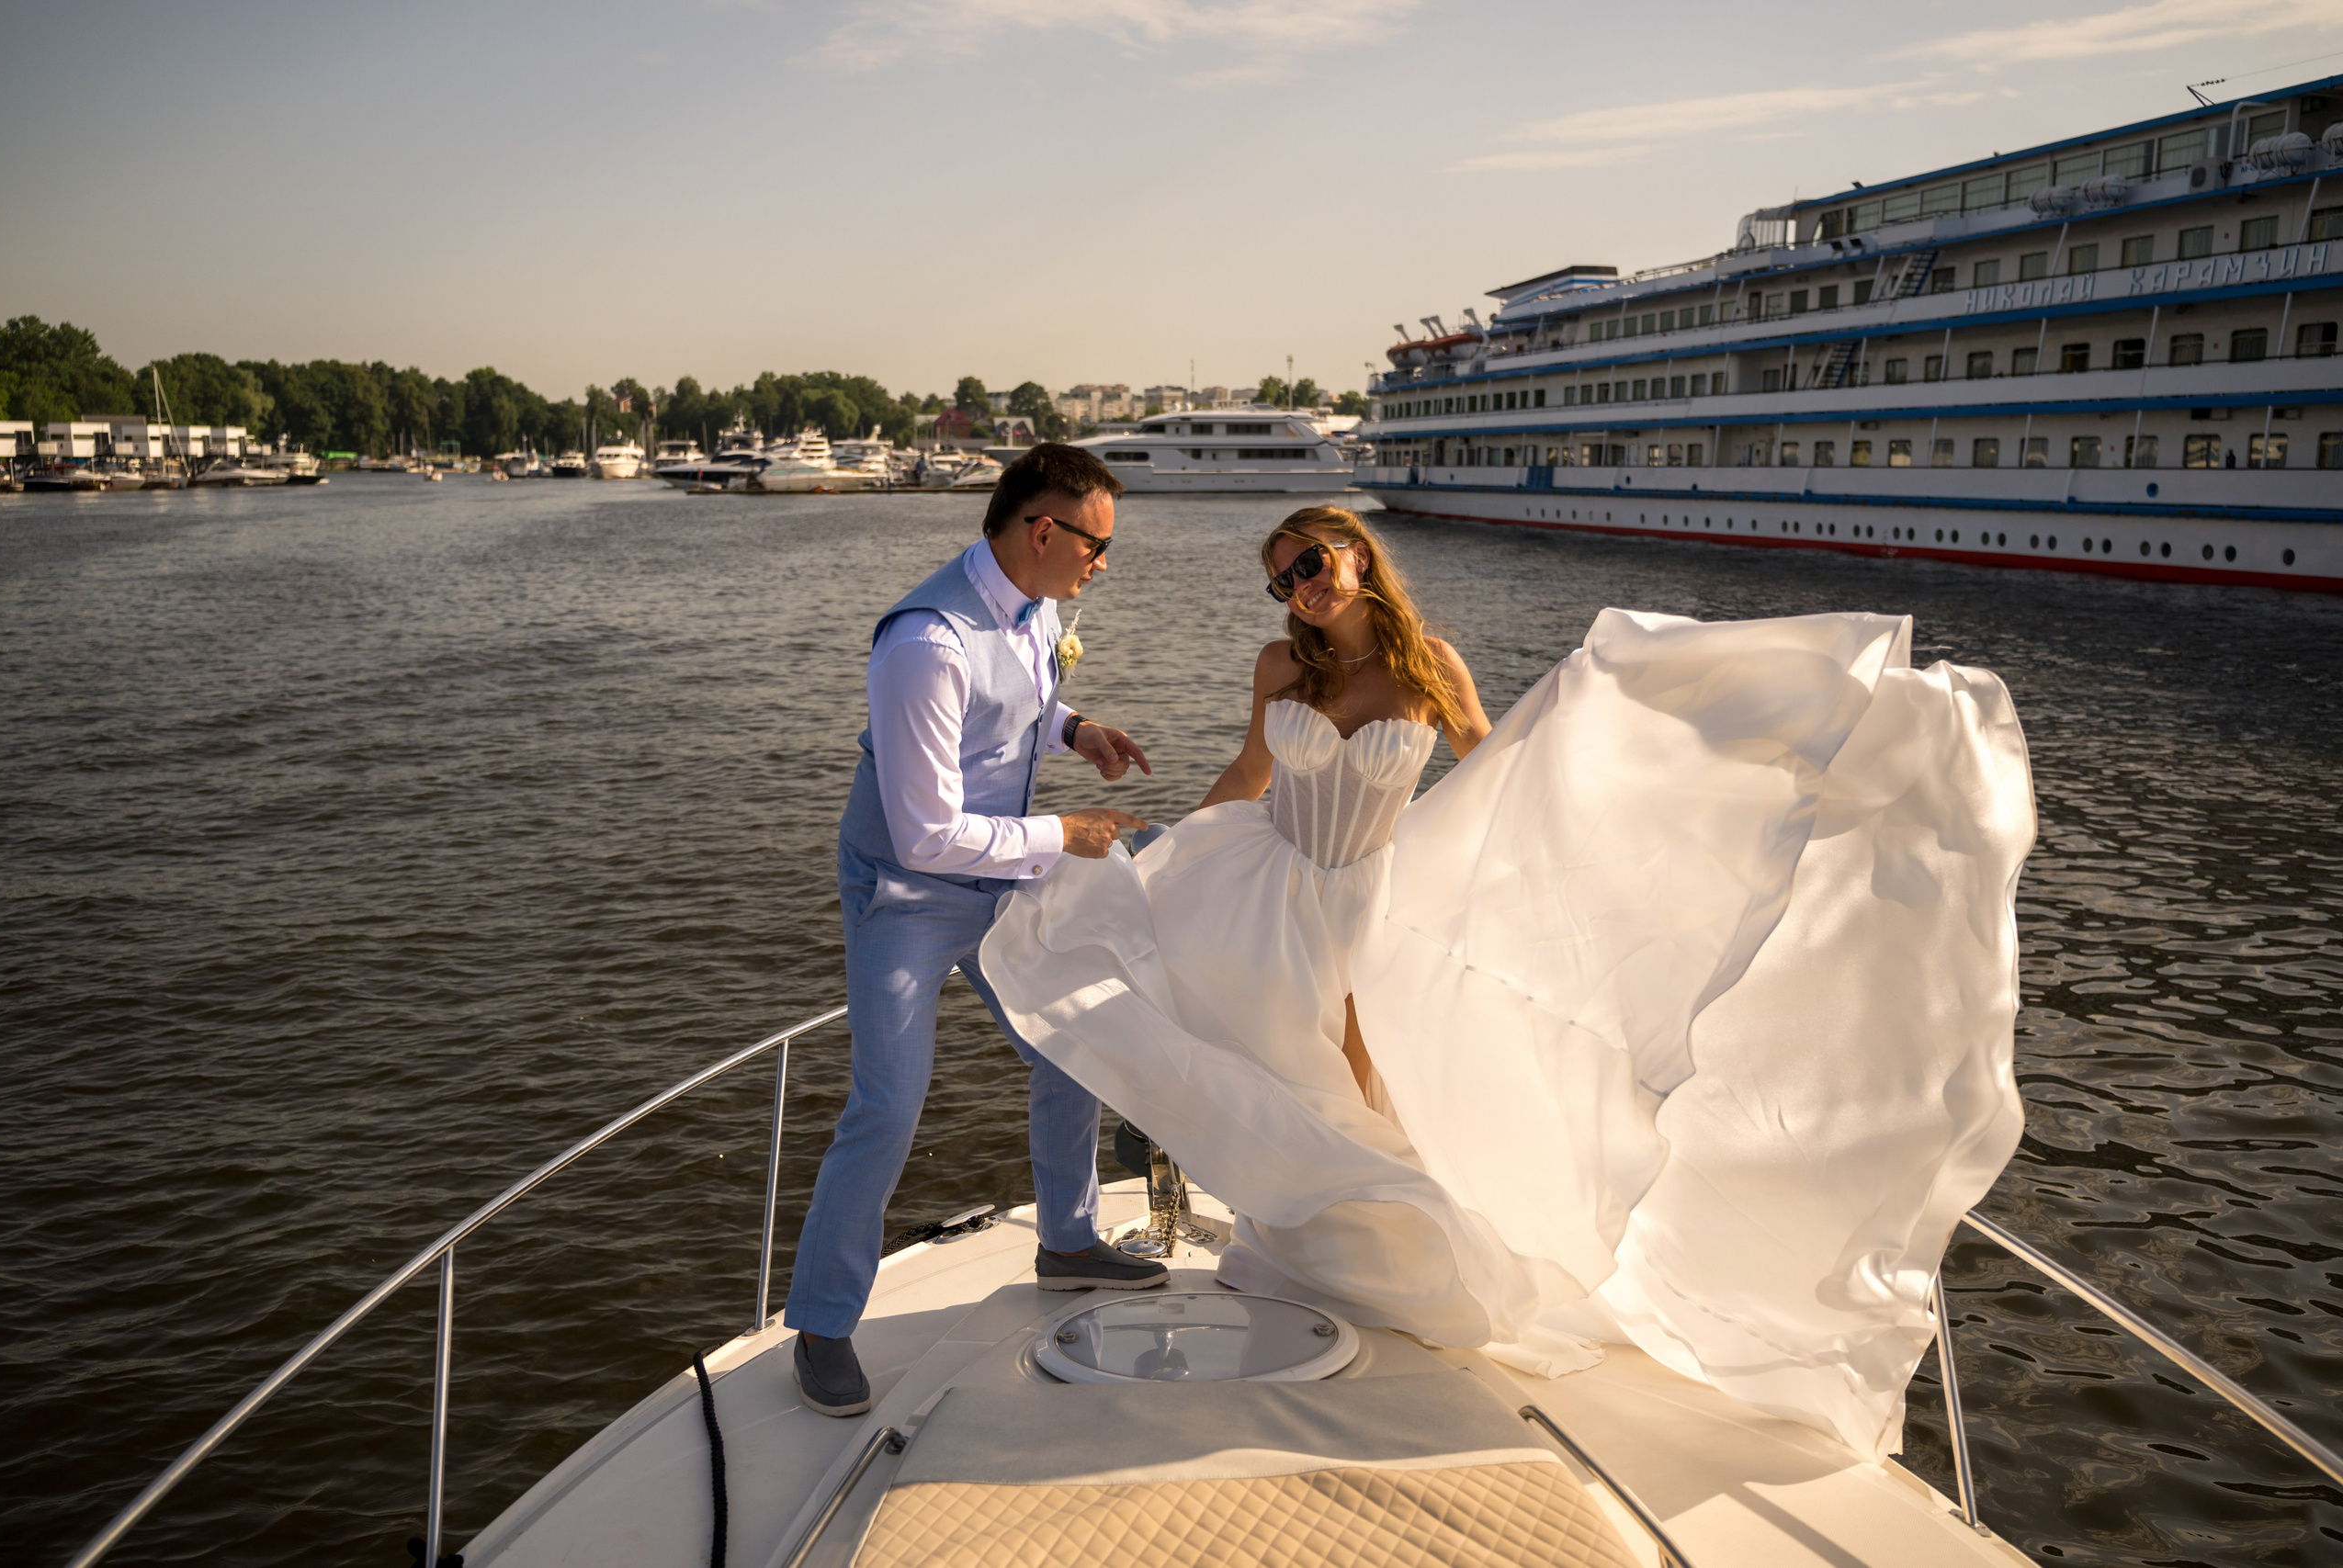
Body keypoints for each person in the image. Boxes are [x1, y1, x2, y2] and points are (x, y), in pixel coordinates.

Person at [982, 504, 2036, 1462]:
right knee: (1296, 1079)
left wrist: (1588, 769)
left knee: (1366, 1085)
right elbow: (1248, 780)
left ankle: (1385, 1262)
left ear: (1357, 554)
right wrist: (1159, 857)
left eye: (1310, 560)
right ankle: (1314, 1251)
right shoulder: (1278, 668)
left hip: (1375, 901)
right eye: (1281, 577)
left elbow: (1496, 764)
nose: (1300, 584)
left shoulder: (1427, 662)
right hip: (1272, 896)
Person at [785, 444, 1167, 1420]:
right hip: (905, 897)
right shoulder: (925, 644)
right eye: (1096, 544)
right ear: (1043, 530)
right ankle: (823, 1327)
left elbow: (1014, 713)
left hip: (998, 882)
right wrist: (1063, 835)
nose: (1103, 564)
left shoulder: (1030, 608)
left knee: (1071, 1041)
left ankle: (1069, 1242)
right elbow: (925, 831)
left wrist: (1075, 730)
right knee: (887, 1106)